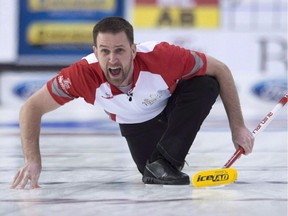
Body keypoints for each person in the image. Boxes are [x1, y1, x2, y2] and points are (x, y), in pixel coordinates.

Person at [11, 17, 254, 189]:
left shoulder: (163, 56)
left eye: (120, 50)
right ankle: (161, 163)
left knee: (207, 83)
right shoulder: (81, 75)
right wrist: (32, 160)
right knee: (151, 174)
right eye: (105, 51)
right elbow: (31, 107)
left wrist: (238, 127)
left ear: (133, 50)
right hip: (135, 124)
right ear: (95, 52)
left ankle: (164, 161)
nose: (113, 59)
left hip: (170, 108)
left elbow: (221, 69)